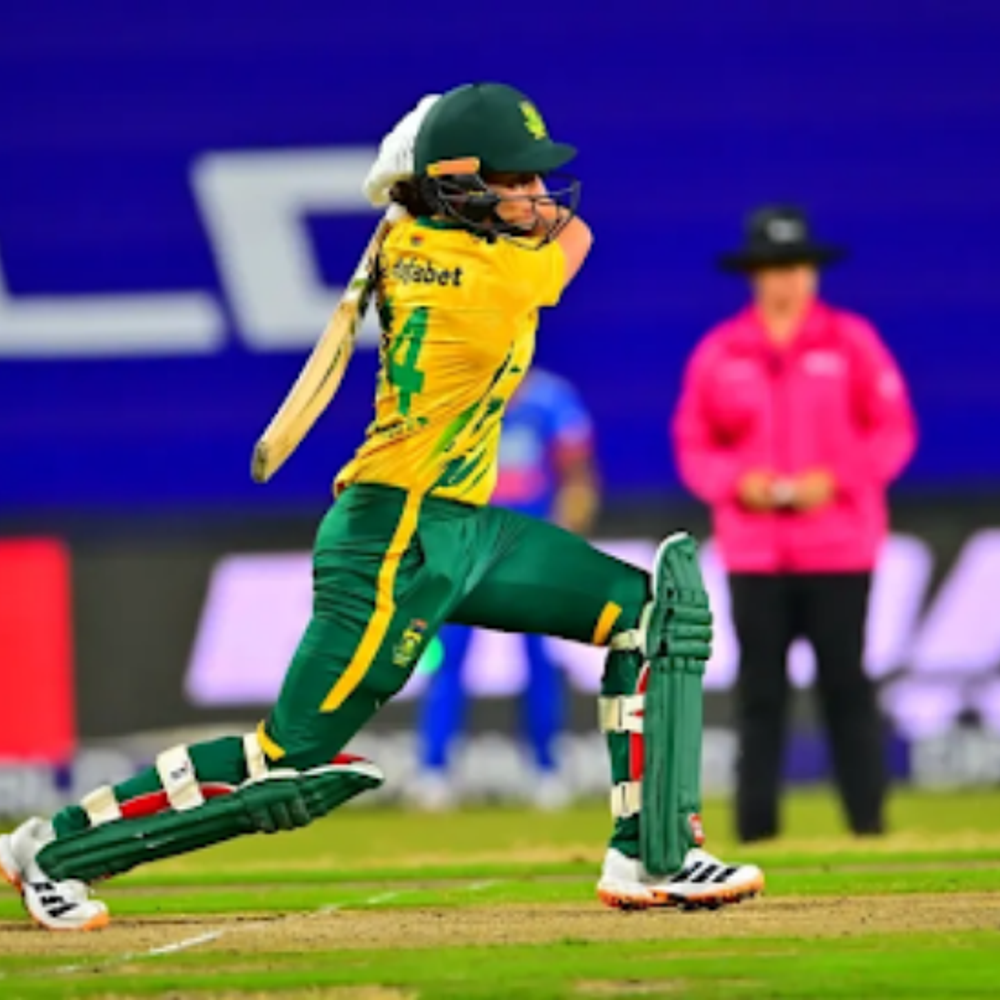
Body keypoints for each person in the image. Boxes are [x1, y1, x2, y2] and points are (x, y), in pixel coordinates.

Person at [0, 82, 762, 930]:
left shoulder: (409, 239)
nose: (540, 196)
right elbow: (577, 237)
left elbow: (471, 220)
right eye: (518, 180)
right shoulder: (485, 278)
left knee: (651, 616)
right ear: (462, 187)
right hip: (392, 538)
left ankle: (651, 854)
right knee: (284, 765)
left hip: (464, 526)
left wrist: (426, 175)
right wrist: (433, 171)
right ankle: (54, 852)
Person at [672, 204, 917, 843]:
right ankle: (756, 833)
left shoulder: (851, 343)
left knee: (846, 685)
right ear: (754, 274)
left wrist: (834, 480)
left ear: (813, 271)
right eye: (775, 266)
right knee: (760, 693)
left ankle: (868, 825)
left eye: (797, 265)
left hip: (838, 546)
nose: (787, 278)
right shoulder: (722, 352)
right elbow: (694, 444)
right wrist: (738, 483)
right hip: (756, 552)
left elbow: (892, 432)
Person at [413, 366, 600, 810]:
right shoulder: (457, 400)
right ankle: (434, 770)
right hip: (466, 554)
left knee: (539, 659)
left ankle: (545, 769)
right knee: (449, 657)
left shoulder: (551, 400)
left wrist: (565, 533)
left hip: (527, 554)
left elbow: (579, 479)